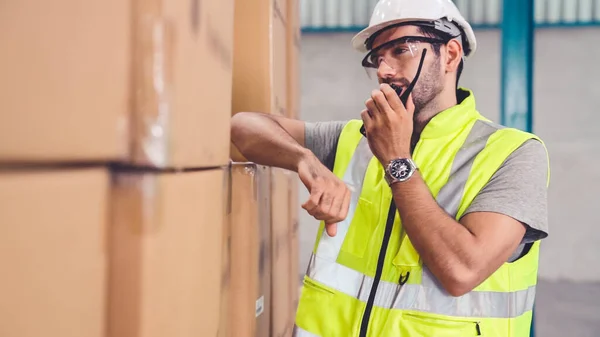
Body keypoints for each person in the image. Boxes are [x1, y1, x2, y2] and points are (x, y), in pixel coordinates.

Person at [230, 0, 550, 335]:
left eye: (401, 50)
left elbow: (462, 271)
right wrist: (305, 160)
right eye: (377, 58)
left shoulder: (513, 153)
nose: (384, 70)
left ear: (451, 55)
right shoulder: (355, 138)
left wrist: (397, 161)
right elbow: (243, 128)